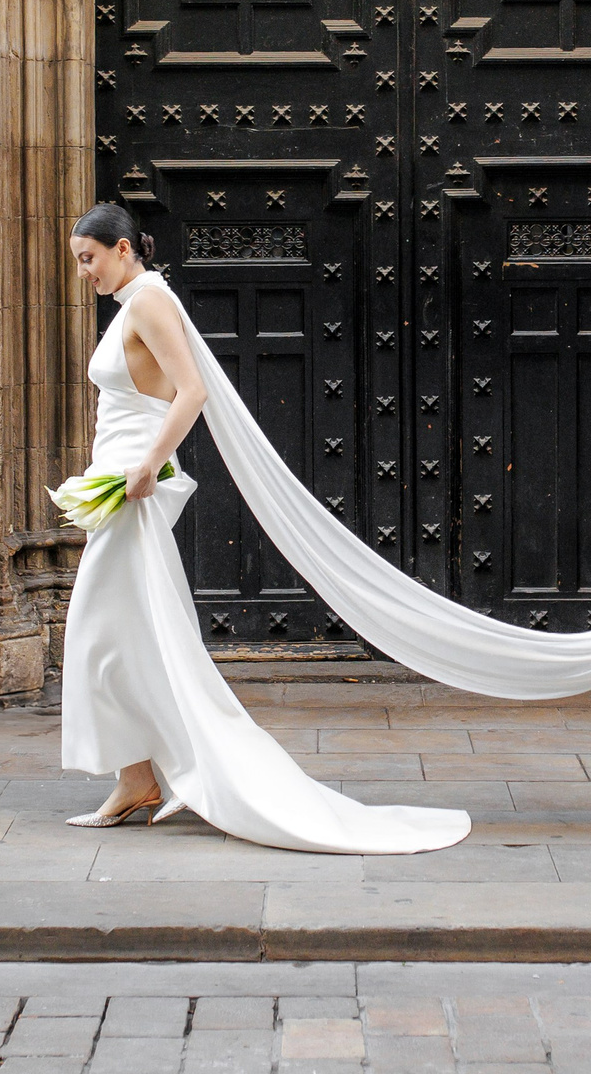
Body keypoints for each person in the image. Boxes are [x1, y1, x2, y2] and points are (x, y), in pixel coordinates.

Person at [57, 204, 470, 853]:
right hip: (116, 486)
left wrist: (148, 465)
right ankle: (139, 777)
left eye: (88, 258)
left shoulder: (149, 301)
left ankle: (168, 770)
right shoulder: (134, 302)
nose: (84, 272)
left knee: (110, 634)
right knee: (118, 635)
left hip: (131, 492)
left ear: (123, 249)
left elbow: (191, 391)